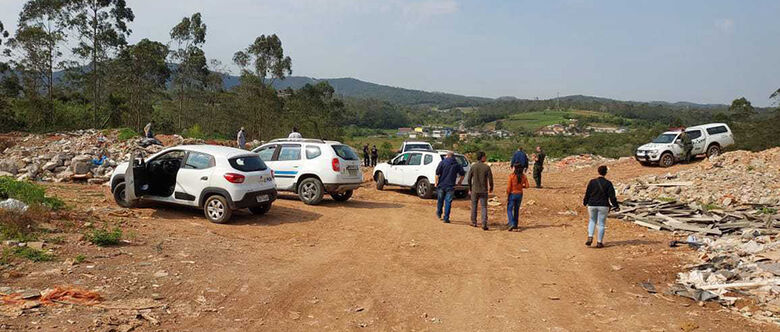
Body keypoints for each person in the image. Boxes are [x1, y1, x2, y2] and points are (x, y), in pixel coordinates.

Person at [583, 165, 619, 248]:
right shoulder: (608, 183)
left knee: (592, 220)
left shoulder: (592, 182)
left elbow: (587, 193)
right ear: (606, 173)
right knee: (601, 224)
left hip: (592, 204)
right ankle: (599, 242)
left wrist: (585, 202)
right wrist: (616, 205)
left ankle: (590, 236)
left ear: (598, 172)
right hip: (603, 205)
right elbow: (612, 196)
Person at [435, 151, 465, 223]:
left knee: (440, 200)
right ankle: (446, 218)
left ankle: (439, 213)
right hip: (451, 186)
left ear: (447, 156)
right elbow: (462, 174)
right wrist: (459, 182)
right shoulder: (457, 164)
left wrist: (436, 183)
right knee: (448, 202)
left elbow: (437, 174)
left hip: (441, 185)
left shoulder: (442, 162)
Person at [467, 151, 494, 230]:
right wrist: (491, 187)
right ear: (482, 157)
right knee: (484, 207)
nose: (485, 158)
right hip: (483, 190)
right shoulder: (486, 167)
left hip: (475, 189)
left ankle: (473, 222)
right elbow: (490, 179)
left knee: (474, 206)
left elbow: (469, 178)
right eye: (485, 156)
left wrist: (470, 188)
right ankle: (484, 223)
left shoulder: (473, 166)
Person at [506, 163, 530, 231]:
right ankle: (515, 225)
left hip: (512, 193)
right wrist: (521, 186)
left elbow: (508, 188)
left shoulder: (512, 176)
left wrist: (507, 194)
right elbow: (527, 186)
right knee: (516, 210)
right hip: (520, 194)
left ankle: (511, 223)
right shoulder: (524, 176)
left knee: (509, 209)